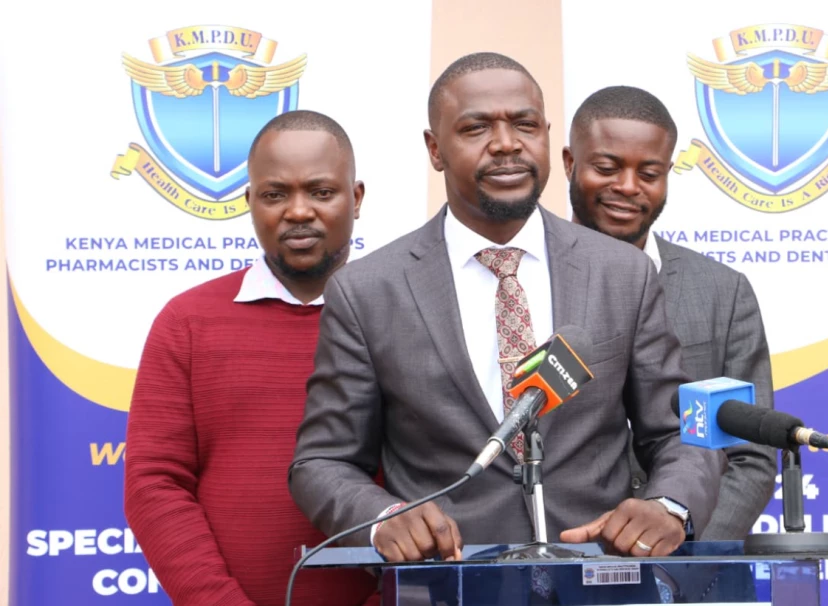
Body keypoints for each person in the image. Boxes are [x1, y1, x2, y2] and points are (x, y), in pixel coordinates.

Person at [288, 54, 723, 580]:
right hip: (447, 583)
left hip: (600, 582)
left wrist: (669, 505)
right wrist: (383, 520)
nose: (506, 144)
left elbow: (678, 432)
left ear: (546, 135)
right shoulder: (368, 290)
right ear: (434, 149)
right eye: (476, 128)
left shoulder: (623, 273)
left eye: (524, 124)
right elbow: (323, 462)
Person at [124, 110, 377, 606]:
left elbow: (433, 482)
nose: (298, 211)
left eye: (321, 192)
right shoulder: (187, 322)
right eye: (275, 194)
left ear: (357, 198)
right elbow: (154, 484)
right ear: (249, 202)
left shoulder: (402, 315)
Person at [564, 85, 776, 542]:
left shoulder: (724, 292)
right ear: (569, 163)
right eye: (607, 168)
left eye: (649, 173)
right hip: (564, 556)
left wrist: (677, 547)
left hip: (686, 566)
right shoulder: (526, 280)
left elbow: (750, 457)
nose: (628, 187)